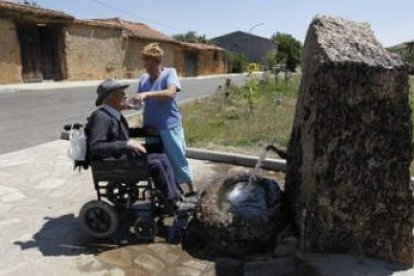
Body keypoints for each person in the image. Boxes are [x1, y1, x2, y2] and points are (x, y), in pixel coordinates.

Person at [86, 78, 195, 210]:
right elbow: (96, 146)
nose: (126, 96)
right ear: (111, 97)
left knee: (161, 157)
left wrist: (145, 131)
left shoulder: (114, 114)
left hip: (122, 158)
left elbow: (122, 133)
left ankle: (176, 196)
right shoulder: (101, 117)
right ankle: (172, 203)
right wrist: (126, 145)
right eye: (121, 93)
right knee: (156, 164)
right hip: (113, 162)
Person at [132, 43, 198, 196]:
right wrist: (134, 102)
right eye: (145, 62)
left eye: (149, 63)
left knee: (177, 158)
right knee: (159, 160)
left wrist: (147, 94)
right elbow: (140, 101)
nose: (146, 67)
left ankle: (192, 189)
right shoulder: (143, 78)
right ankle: (169, 191)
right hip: (151, 128)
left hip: (169, 125)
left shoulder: (169, 73)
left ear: (157, 61)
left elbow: (170, 93)